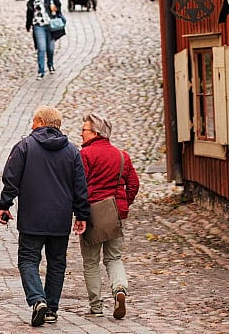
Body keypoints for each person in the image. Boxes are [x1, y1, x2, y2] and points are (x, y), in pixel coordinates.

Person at [0, 106, 90, 327]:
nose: (31, 125)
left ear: (40, 122)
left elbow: (11, 178)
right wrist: (82, 214)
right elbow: (80, 187)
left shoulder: (25, 147)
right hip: (60, 218)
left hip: (32, 217)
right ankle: (51, 309)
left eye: (33, 121)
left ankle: (38, 300)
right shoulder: (72, 151)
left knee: (28, 260)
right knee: (57, 263)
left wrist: (5, 204)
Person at [79, 113, 139, 319]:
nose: (81, 133)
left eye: (84, 130)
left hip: (92, 213)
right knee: (114, 257)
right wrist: (122, 205)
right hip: (116, 212)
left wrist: (78, 211)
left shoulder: (85, 155)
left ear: (95, 132)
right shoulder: (122, 155)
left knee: (91, 261)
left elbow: (79, 186)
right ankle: (119, 289)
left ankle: (96, 306)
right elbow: (133, 184)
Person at [25, 0, 65, 80]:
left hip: (50, 26)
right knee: (41, 48)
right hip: (38, 26)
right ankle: (41, 70)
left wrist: (55, 9)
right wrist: (28, 25)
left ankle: (50, 64)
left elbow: (59, 7)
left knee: (50, 48)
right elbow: (29, 12)